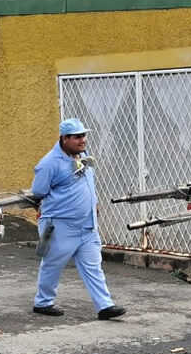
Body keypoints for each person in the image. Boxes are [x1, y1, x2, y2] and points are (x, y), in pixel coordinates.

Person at [31, 118, 126, 320]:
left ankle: (105, 306)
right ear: (64, 139)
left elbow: (88, 182)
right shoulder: (49, 163)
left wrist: (95, 203)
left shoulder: (83, 155)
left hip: (87, 223)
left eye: (84, 135)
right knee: (53, 263)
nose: (83, 140)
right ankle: (43, 302)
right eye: (77, 137)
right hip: (60, 224)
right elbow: (39, 190)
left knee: (93, 265)